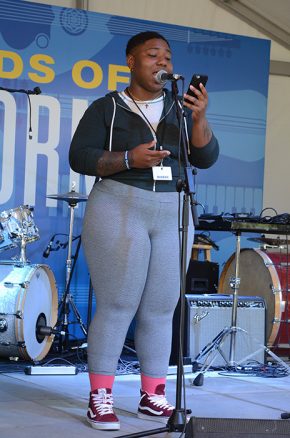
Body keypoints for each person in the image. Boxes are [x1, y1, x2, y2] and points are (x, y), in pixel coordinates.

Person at [69, 30, 219, 431]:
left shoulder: (180, 108)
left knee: (160, 307)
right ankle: (99, 397)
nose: (163, 63)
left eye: (167, 57)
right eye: (153, 55)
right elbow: (79, 156)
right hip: (120, 204)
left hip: (172, 209)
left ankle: (153, 395)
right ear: (131, 62)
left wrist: (199, 117)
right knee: (118, 304)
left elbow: (205, 156)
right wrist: (127, 158)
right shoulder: (107, 107)